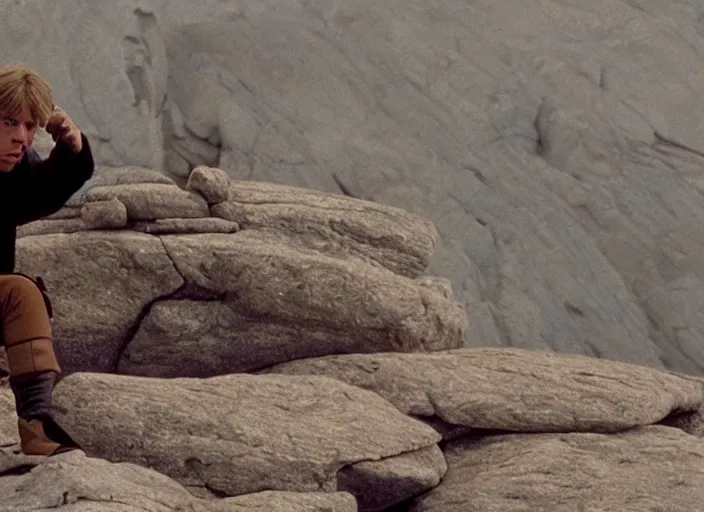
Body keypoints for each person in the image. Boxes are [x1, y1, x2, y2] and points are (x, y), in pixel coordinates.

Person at [0, 63, 94, 456]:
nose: (21, 138)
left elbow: (37, 192)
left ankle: (37, 428)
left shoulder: (13, 172)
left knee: (24, 295)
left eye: (31, 126)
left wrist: (70, 150)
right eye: (9, 122)